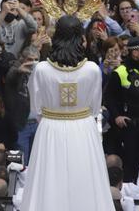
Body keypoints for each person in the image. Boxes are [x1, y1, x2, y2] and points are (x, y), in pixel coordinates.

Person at [21, 15, 113, 210]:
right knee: (84, 177)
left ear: (56, 37)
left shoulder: (42, 69)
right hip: (82, 126)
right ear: (81, 38)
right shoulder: (91, 69)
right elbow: (95, 107)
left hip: (50, 127)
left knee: (49, 178)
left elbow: (36, 107)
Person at [104, 36, 139, 183]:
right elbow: (109, 97)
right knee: (129, 157)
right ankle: (128, 185)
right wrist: (117, 116)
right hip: (128, 121)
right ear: (135, 53)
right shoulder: (120, 71)